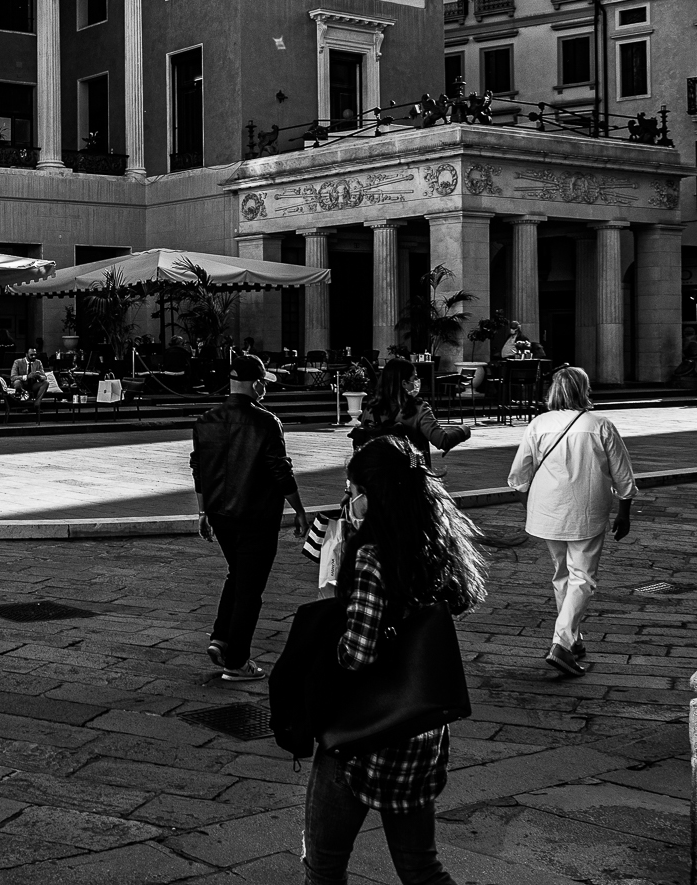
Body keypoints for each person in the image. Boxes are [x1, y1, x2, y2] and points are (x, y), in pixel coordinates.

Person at [305, 435, 489, 885]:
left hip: (363, 736)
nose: (348, 501)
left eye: (351, 492)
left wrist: (331, 604)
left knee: (324, 866)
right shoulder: (436, 546)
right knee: (421, 867)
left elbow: (357, 653)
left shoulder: (373, 557)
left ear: (370, 496)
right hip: (419, 730)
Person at [505, 365, 637, 679]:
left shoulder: (538, 424)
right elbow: (623, 474)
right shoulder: (600, 425)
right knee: (583, 577)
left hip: (548, 510)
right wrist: (625, 511)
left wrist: (532, 507)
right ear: (584, 389)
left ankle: (573, 639)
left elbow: (518, 477)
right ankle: (562, 643)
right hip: (586, 510)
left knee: (562, 574)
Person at [192, 353, 308, 682]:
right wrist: (298, 509)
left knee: (237, 574)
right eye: (263, 383)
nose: (265, 389)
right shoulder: (266, 421)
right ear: (256, 384)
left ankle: (221, 638)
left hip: (219, 513)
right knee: (250, 589)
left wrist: (202, 511)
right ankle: (237, 661)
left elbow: (199, 470)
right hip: (256, 515)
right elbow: (279, 470)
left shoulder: (205, 420)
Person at [354, 358, 467, 465]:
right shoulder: (419, 409)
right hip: (411, 473)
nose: (417, 382)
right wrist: (463, 430)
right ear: (404, 383)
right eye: (415, 378)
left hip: (377, 474)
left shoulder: (371, 408)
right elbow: (442, 441)